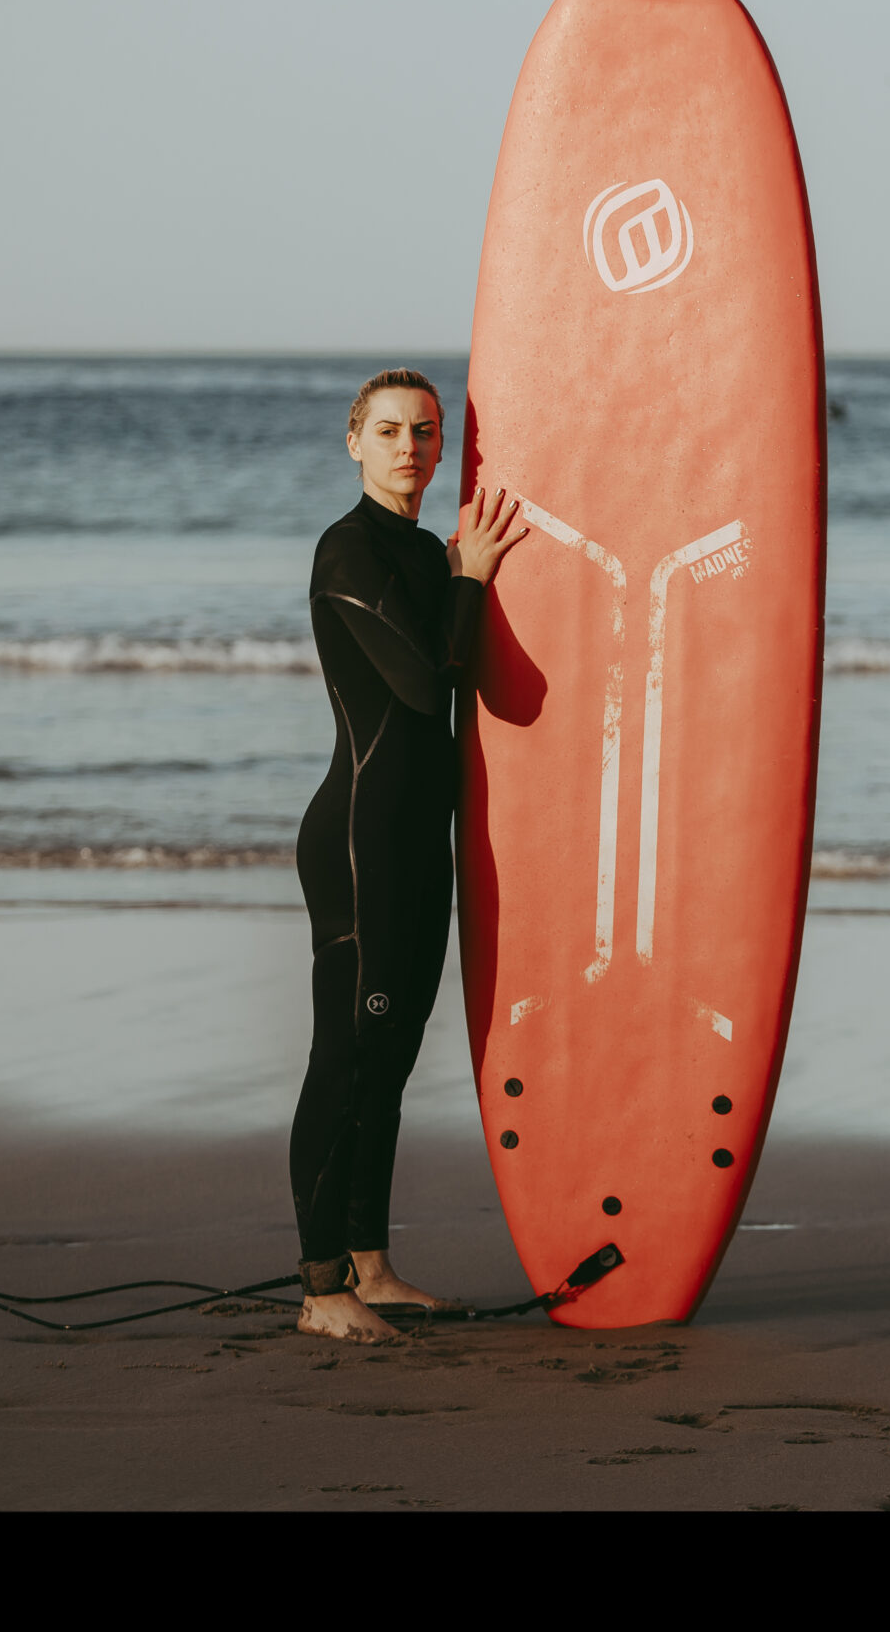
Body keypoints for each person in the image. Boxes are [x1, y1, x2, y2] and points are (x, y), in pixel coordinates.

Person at [292, 367, 526, 1344]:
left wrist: (465, 571)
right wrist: (473, 576)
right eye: (387, 431)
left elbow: (490, 687)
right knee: (346, 1062)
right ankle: (319, 1290)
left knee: (388, 1062)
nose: (407, 448)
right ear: (354, 442)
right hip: (360, 845)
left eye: (424, 433)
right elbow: (431, 688)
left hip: (418, 842)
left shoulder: (428, 553)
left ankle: (371, 1266)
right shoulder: (348, 553)